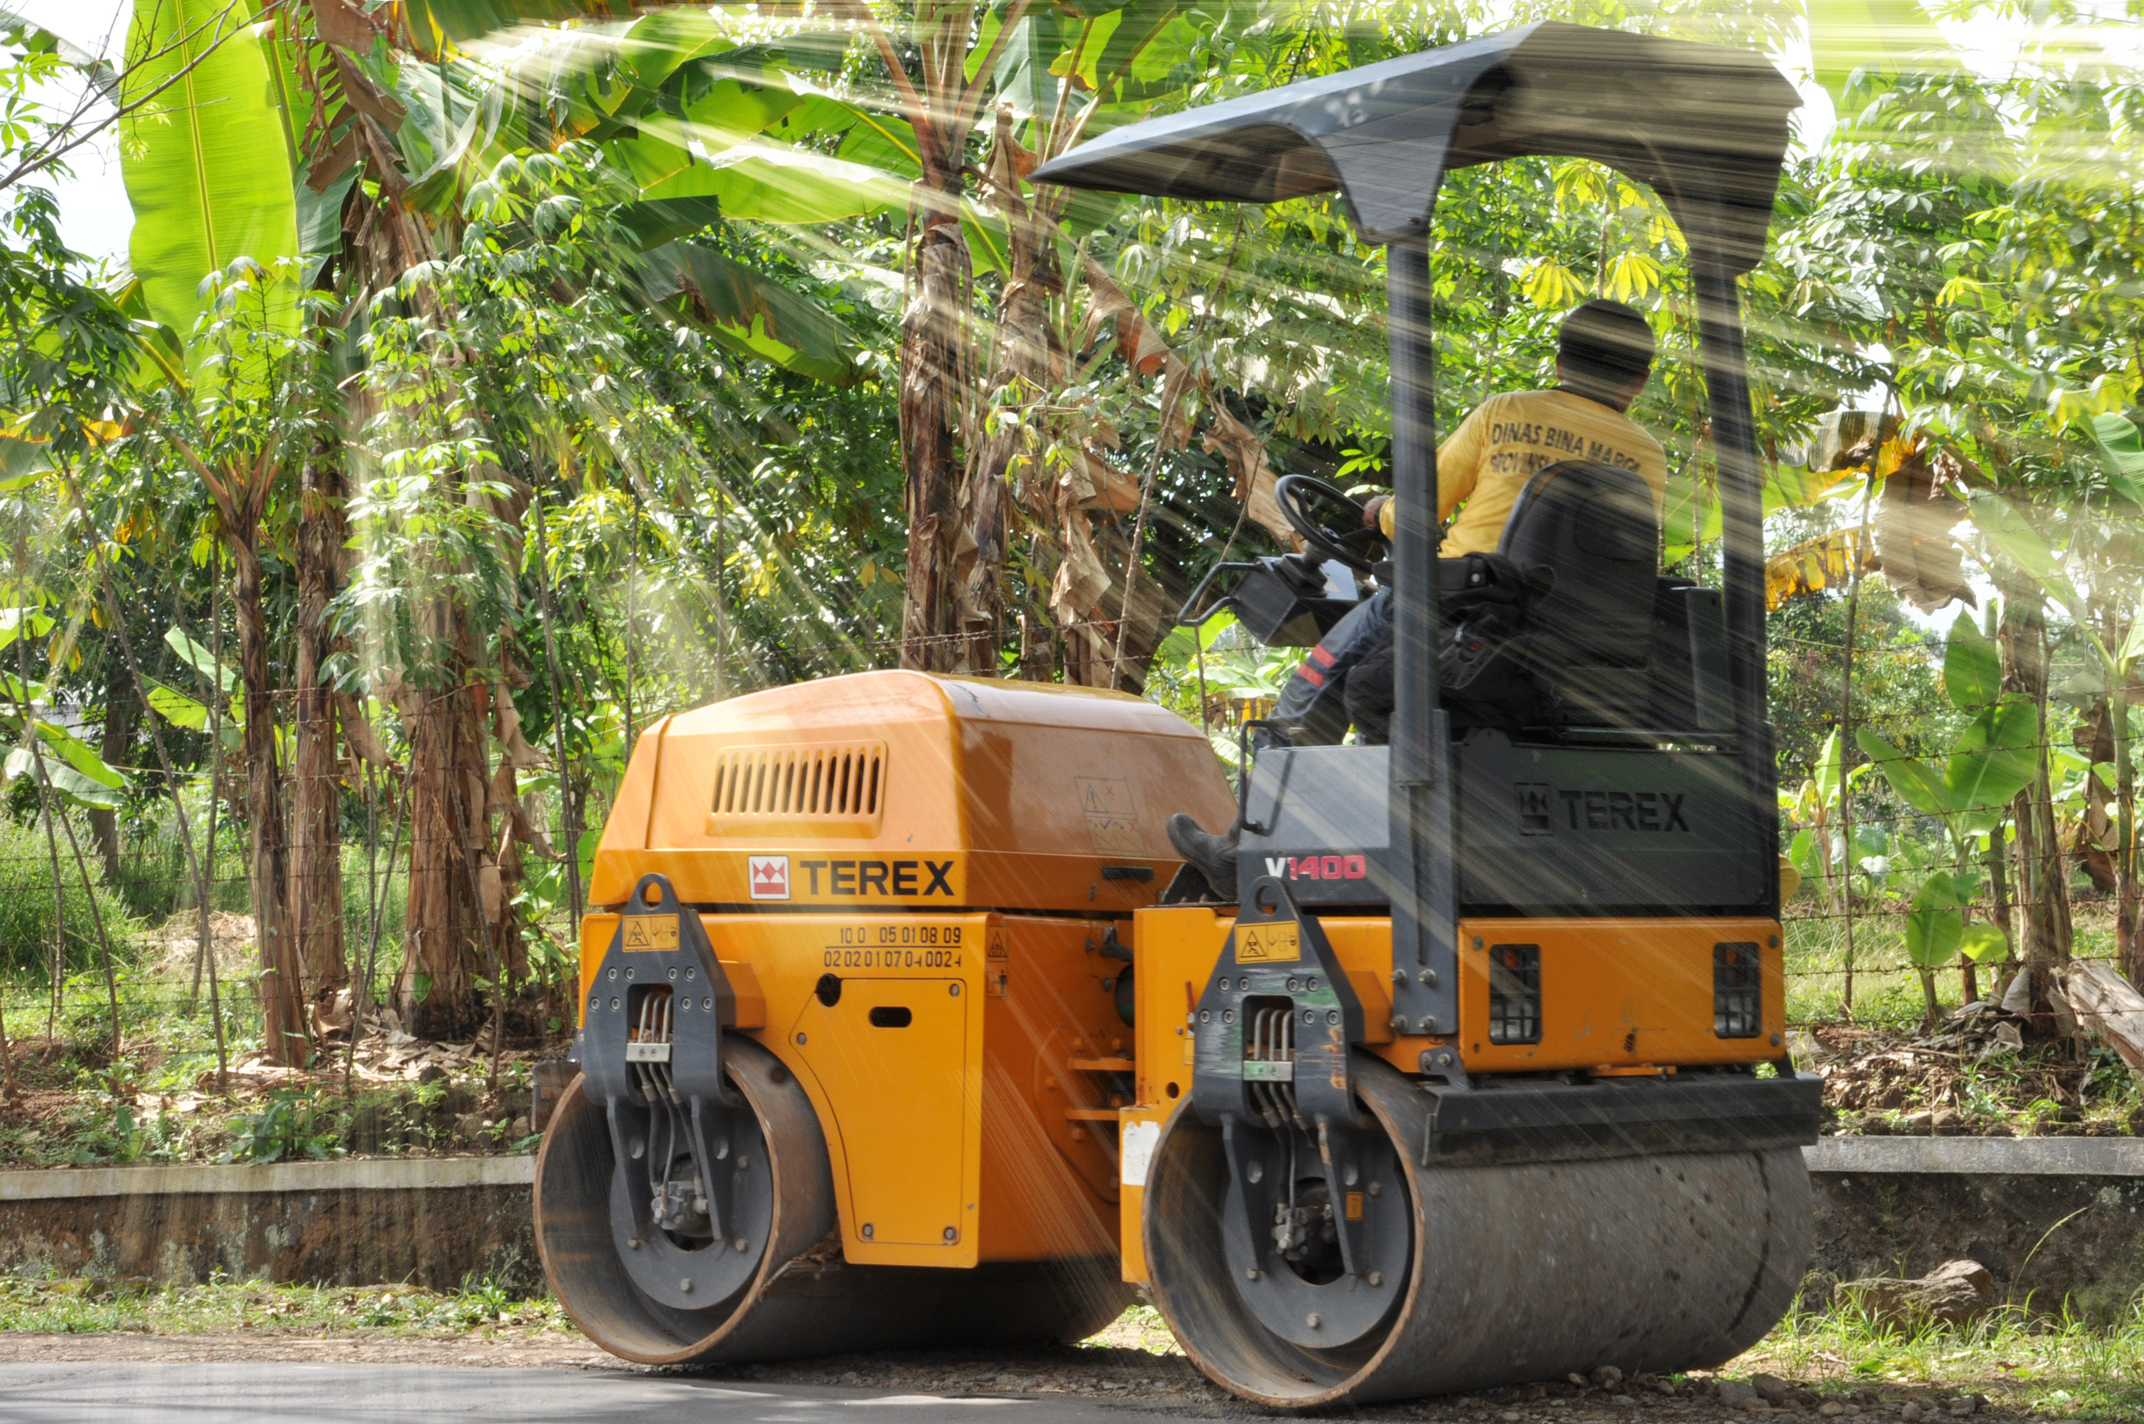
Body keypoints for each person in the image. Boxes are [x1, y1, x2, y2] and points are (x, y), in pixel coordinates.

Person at [1166, 300, 1669, 894]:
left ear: (1558, 362)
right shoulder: (1647, 456)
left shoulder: (1504, 412)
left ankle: (1238, 848)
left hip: (1459, 606)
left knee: (1315, 685)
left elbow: (1419, 510)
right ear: (1638, 380)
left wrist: (1381, 511)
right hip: (1561, 634)